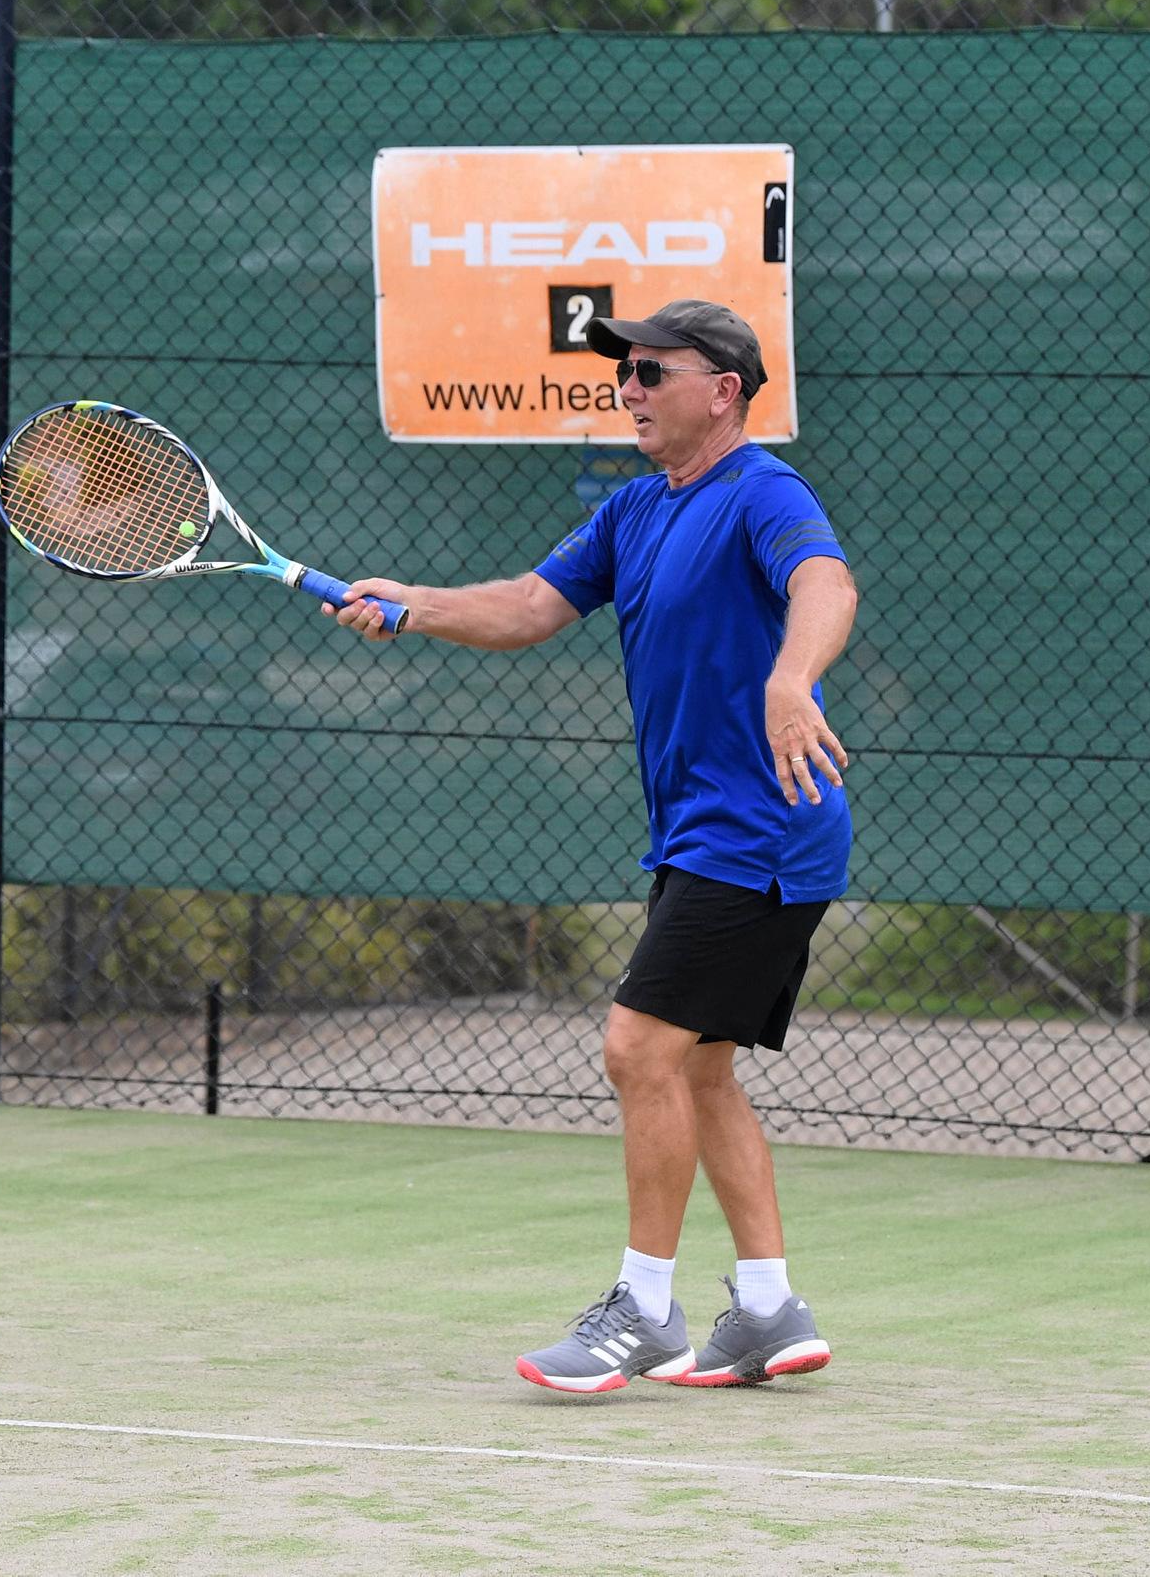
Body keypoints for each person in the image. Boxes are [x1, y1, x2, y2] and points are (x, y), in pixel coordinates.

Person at [328, 300, 858, 1393]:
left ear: (723, 390)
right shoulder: (632, 512)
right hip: (705, 835)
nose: (629, 388)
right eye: (624, 372)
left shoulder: (762, 491)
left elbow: (825, 581)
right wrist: (416, 603)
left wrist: (790, 679)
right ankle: (766, 1310)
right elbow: (528, 605)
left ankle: (647, 1310)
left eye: (654, 372)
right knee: (699, 1064)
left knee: (637, 1048)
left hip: (759, 832)